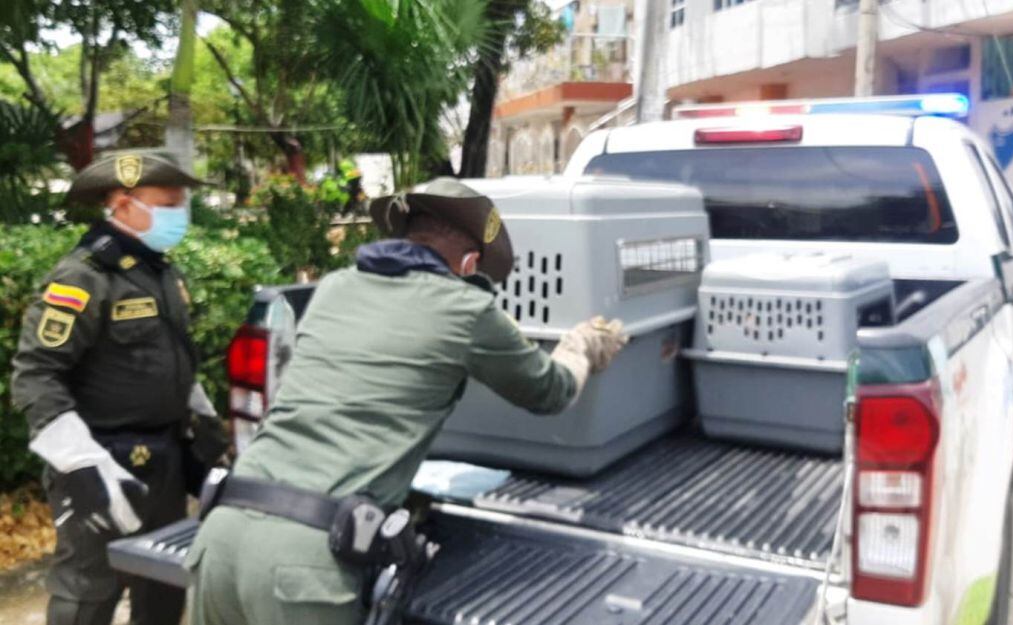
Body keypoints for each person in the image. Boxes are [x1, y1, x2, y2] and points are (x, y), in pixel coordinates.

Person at [186, 177, 627, 625]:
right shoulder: (466, 308)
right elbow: (550, 391)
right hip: (303, 564)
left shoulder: (335, 287)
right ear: (470, 262)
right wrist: (581, 346)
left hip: (221, 535)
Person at [11, 150, 228, 625]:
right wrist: (81, 466)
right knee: (89, 592)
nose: (179, 214)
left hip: (165, 460)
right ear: (126, 204)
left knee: (163, 587)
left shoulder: (159, 271)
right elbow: (36, 374)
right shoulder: (83, 277)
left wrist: (204, 423)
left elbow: (172, 357)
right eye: (169, 204)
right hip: (102, 462)